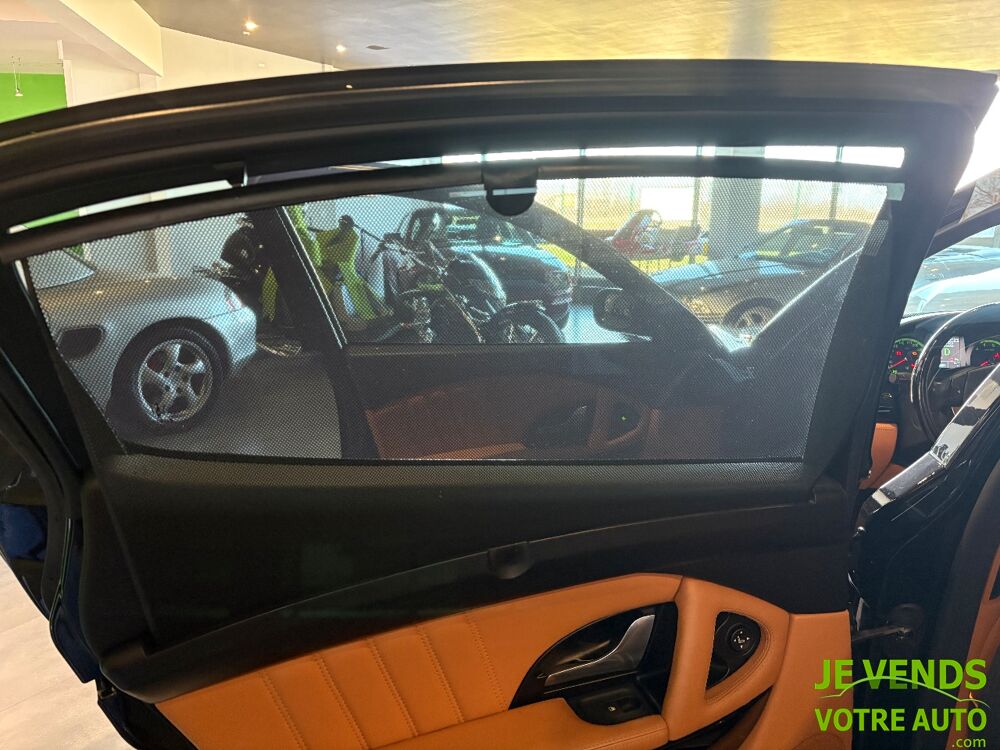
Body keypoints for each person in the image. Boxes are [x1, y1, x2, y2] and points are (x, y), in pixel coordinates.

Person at [261, 204, 390, 332]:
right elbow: (310, 248)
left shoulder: (340, 242)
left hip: (306, 269)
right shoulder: (296, 232)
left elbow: (321, 252)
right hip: (299, 273)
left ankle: (371, 315)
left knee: (349, 283)